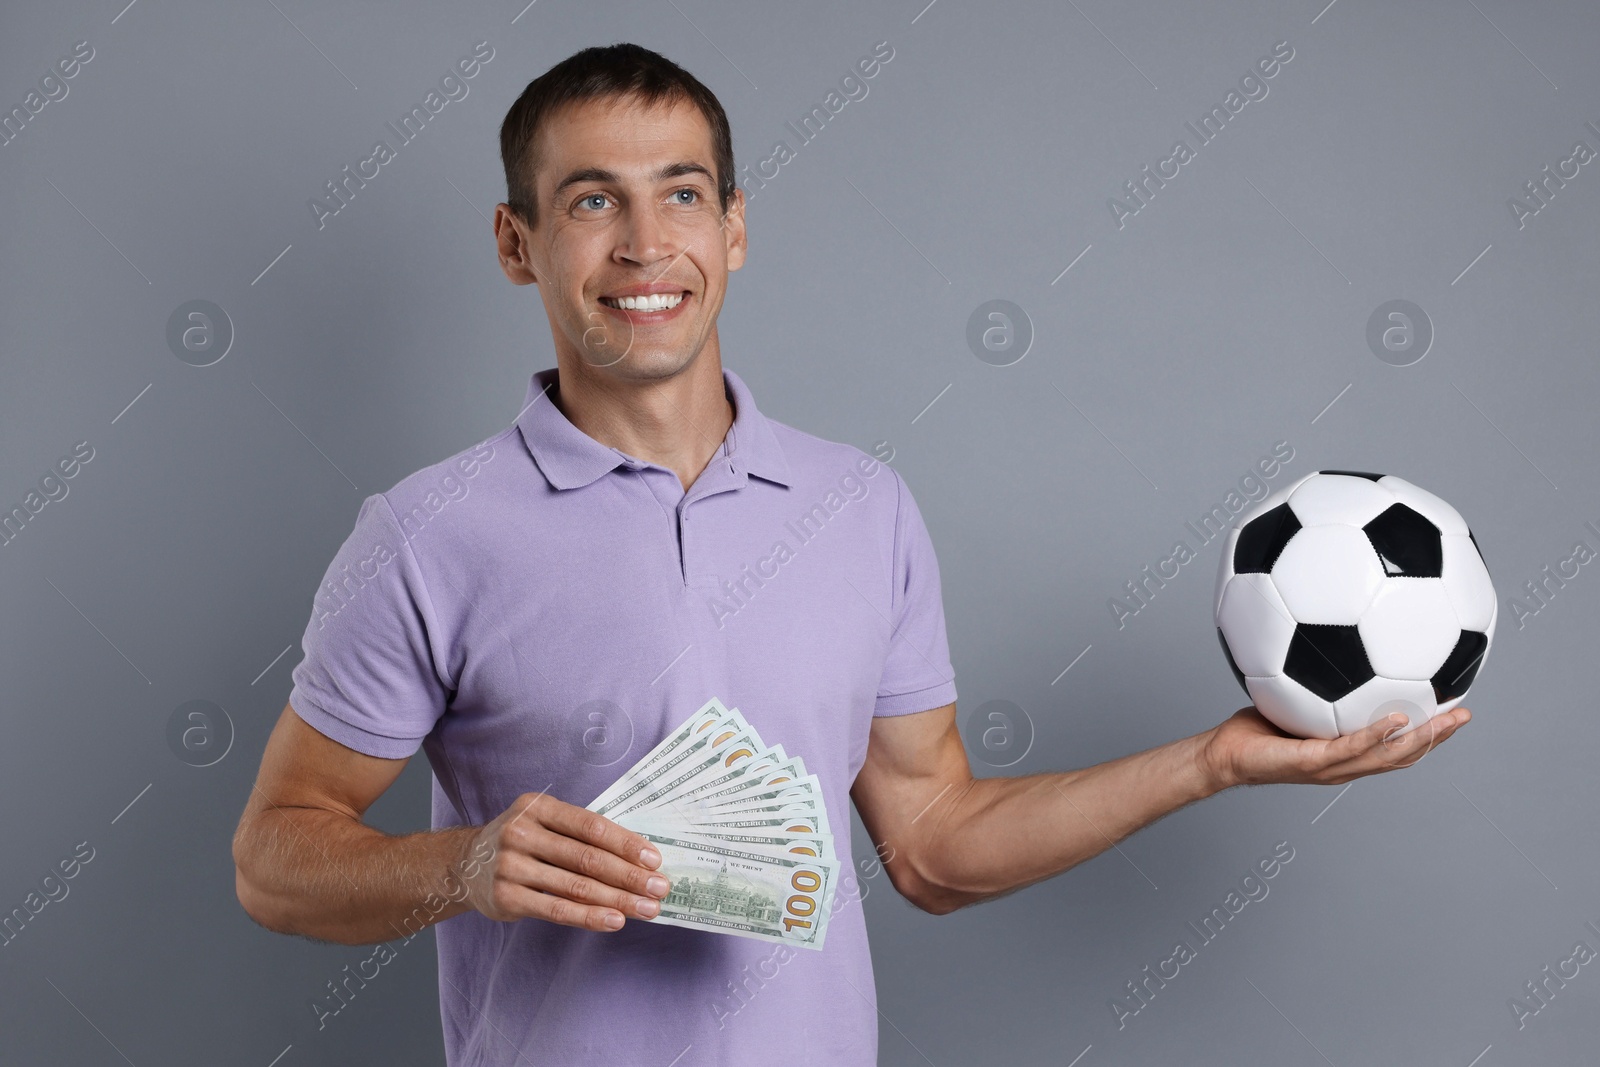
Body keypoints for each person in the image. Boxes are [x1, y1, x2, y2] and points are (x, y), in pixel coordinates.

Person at [230, 42, 1471, 1067]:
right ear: (517, 242)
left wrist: (1211, 760)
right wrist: (470, 863)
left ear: (734, 227)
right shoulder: (427, 532)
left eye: (681, 192)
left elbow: (931, 842)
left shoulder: (859, 504)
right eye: (592, 198)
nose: (644, 243)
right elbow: (275, 859)